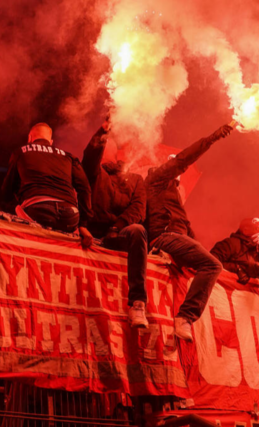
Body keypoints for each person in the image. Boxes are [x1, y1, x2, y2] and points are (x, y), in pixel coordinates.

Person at [145, 123, 234, 342]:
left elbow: (186, 227)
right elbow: (182, 160)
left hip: (178, 240)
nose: (178, 174)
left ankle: (180, 322)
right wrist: (212, 138)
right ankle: (185, 317)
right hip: (163, 238)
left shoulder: (174, 196)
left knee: (213, 264)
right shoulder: (156, 181)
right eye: (173, 170)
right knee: (212, 265)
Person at [82, 117, 149, 328]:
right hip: (93, 233)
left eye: (105, 145)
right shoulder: (93, 173)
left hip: (119, 233)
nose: (101, 150)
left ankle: (138, 303)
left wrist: (117, 226)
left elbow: (138, 209)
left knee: (138, 230)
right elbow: (90, 156)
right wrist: (102, 131)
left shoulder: (135, 179)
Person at [1, 123, 93, 247]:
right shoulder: (69, 156)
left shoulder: (21, 152)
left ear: (30, 138)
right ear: (51, 141)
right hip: (70, 215)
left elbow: (6, 192)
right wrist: (83, 224)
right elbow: (85, 188)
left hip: (37, 210)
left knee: (18, 209)